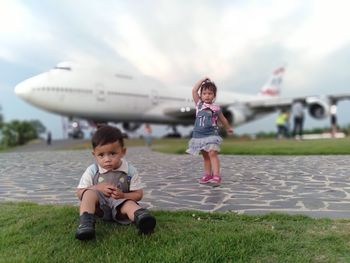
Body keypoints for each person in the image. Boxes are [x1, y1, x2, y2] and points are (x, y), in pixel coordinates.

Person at [75, 125, 156, 240]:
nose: (107, 159)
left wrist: (124, 195)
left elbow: (138, 194)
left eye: (112, 153)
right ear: (94, 155)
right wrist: (96, 187)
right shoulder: (92, 170)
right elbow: (79, 193)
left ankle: (141, 218)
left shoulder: (129, 171)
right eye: (101, 155)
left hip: (120, 207)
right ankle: (86, 224)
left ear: (123, 152)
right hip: (99, 209)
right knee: (88, 193)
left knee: (128, 204)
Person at [186, 77, 233, 187]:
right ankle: (207, 174)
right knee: (206, 156)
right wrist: (202, 80)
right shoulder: (199, 105)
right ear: (201, 95)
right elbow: (194, 90)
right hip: (199, 135)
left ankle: (216, 175)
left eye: (210, 93)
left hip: (211, 134)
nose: (207, 95)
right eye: (204, 93)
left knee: (212, 153)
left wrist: (228, 128)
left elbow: (223, 119)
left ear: (214, 96)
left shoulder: (216, 108)